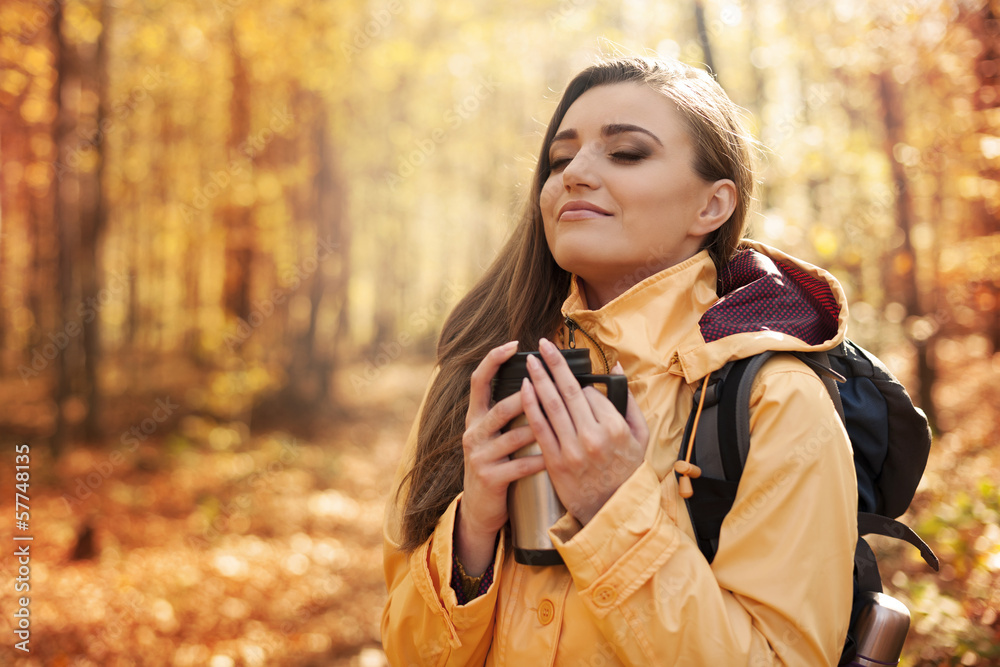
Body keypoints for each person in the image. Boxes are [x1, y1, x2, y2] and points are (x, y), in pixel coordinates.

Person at [381, 56, 858, 665]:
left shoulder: (778, 402)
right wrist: (472, 532)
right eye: (560, 159)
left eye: (626, 153)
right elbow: (402, 649)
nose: (574, 174)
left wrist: (615, 511)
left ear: (711, 207)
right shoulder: (485, 376)